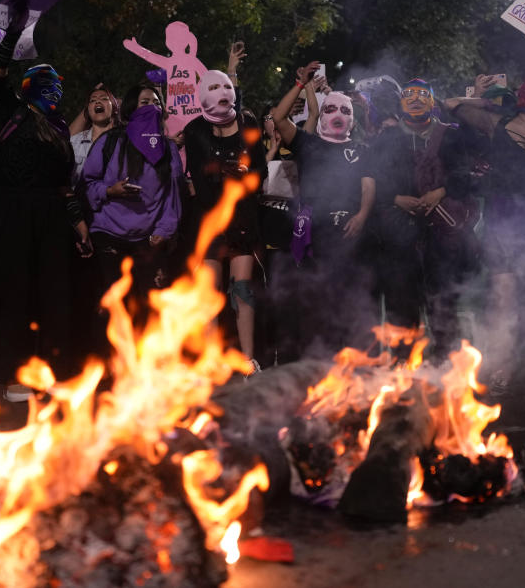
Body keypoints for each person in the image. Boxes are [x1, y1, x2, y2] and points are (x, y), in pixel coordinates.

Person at [445, 71, 525, 394]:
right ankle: (502, 364)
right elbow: (451, 103)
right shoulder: (497, 126)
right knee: (504, 300)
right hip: (502, 226)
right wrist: (486, 99)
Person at [0, 29, 91, 385]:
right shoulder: (12, 111)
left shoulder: (60, 129)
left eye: (57, 84)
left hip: (51, 214)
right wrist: (12, 34)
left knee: (54, 293)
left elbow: (65, 184)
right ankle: (15, 373)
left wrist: (78, 224)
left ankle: (54, 370)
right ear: (31, 87)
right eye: (47, 83)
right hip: (13, 210)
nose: (55, 90)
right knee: (16, 292)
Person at [270, 61, 376, 357]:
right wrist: (301, 85)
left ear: (353, 121)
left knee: (345, 295)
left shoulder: (359, 150)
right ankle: (312, 357)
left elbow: (368, 185)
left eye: (345, 110)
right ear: (319, 119)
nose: (338, 114)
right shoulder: (308, 143)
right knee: (312, 293)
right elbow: (279, 118)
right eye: (330, 109)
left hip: (347, 232)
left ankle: (347, 358)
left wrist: (363, 215)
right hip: (311, 231)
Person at [369, 79, 479, 359]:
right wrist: (395, 199)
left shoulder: (451, 135)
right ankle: (402, 364)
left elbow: (467, 173)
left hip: (442, 230)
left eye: (422, 95)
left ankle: (446, 364)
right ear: (400, 103)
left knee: (443, 298)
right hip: (399, 231)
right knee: (401, 299)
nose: (415, 100)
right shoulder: (387, 140)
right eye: (409, 96)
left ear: (432, 102)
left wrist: (440, 192)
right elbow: (373, 179)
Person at [182, 48, 267, 372]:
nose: (221, 95)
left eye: (226, 89)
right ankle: (209, 364)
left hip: (243, 218)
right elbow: (202, 187)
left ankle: (248, 360)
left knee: (242, 291)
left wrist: (244, 179)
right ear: (202, 97)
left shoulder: (248, 124)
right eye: (213, 89)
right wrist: (223, 174)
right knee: (209, 296)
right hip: (209, 221)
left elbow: (260, 173)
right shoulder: (195, 130)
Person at [83, 82, 182, 304]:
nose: (151, 108)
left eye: (156, 103)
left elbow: (172, 196)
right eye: (144, 103)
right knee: (116, 307)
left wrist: (164, 230)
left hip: (148, 239)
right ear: (130, 108)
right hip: (109, 234)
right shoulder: (109, 142)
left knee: (152, 308)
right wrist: (110, 191)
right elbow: (88, 183)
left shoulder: (169, 149)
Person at [68, 84, 120, 182]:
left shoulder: (124, 141)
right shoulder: (74, 143)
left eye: (104, 99)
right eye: (92, 100)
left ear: (114, 108)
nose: (97, 101)